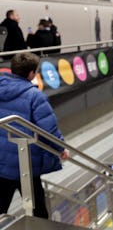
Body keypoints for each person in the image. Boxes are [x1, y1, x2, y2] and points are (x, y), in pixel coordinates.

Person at [0, 52, 69, 218]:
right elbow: (48, 129)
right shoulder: (34, 96)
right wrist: (60, 148)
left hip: (2, 162)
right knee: (39, 212)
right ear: (31, 73)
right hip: (25, 163)